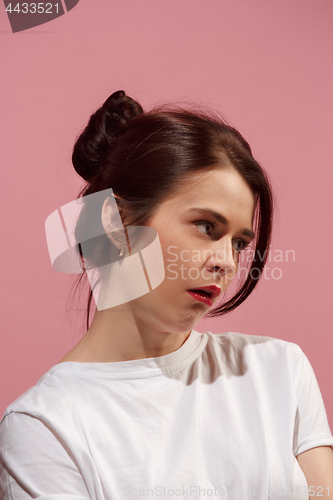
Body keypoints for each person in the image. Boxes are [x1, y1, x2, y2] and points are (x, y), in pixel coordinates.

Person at [1, 90, 333, 499]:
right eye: (206, 226)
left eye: (239, 243)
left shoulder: (278, 371)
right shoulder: (45, 426)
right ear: (114, 222)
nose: (227, 263)